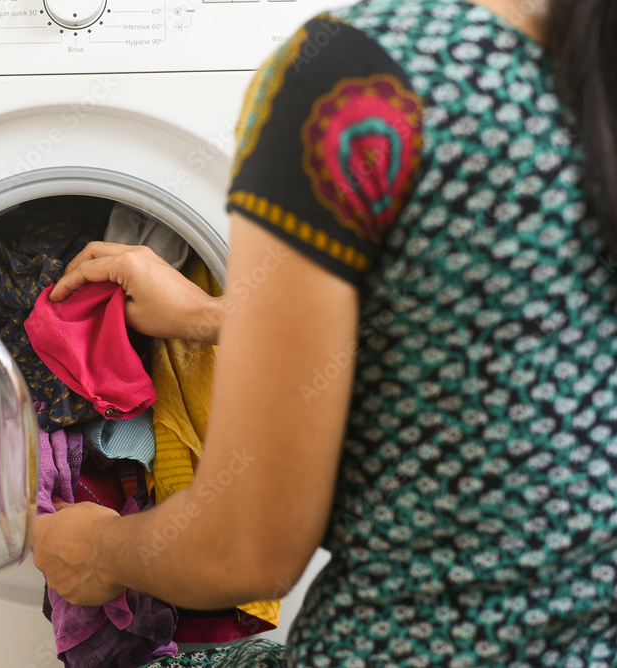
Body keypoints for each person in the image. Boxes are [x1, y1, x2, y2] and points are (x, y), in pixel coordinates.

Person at [33, 0, 617, 665]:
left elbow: (245, 550)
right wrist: (214, 317)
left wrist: (93, 550)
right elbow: (505, 330)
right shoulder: (580, 64)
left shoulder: (354, 86)